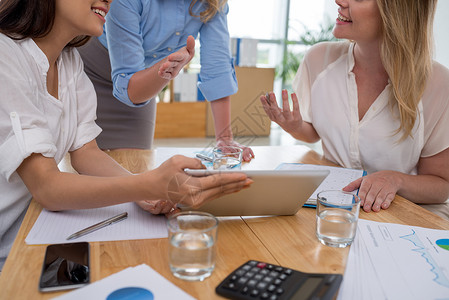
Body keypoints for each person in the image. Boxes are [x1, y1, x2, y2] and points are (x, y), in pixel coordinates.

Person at [0, 0, 252, 271]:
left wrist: (142, 190)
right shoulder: (7, 56)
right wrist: (148, 184)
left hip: (22, 242)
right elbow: (47, 187)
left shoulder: (68, 63)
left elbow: (86, 152)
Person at [261, 0, 449, 213]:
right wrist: (294, 126)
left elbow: (441, 186)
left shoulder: (437, 83)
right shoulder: (318, 59)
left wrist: (396, 180)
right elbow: (313, 133)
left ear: (396, 12)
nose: (339, 1)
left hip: (401, 216)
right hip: (332, 207)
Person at [78, 0, 254, 162]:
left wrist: (225, 139)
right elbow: (128, 82)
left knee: (136, 175)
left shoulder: (213, 3)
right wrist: (168, 68)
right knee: (83, 173)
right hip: (90, 75)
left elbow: (218, 68)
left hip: (144, 82)